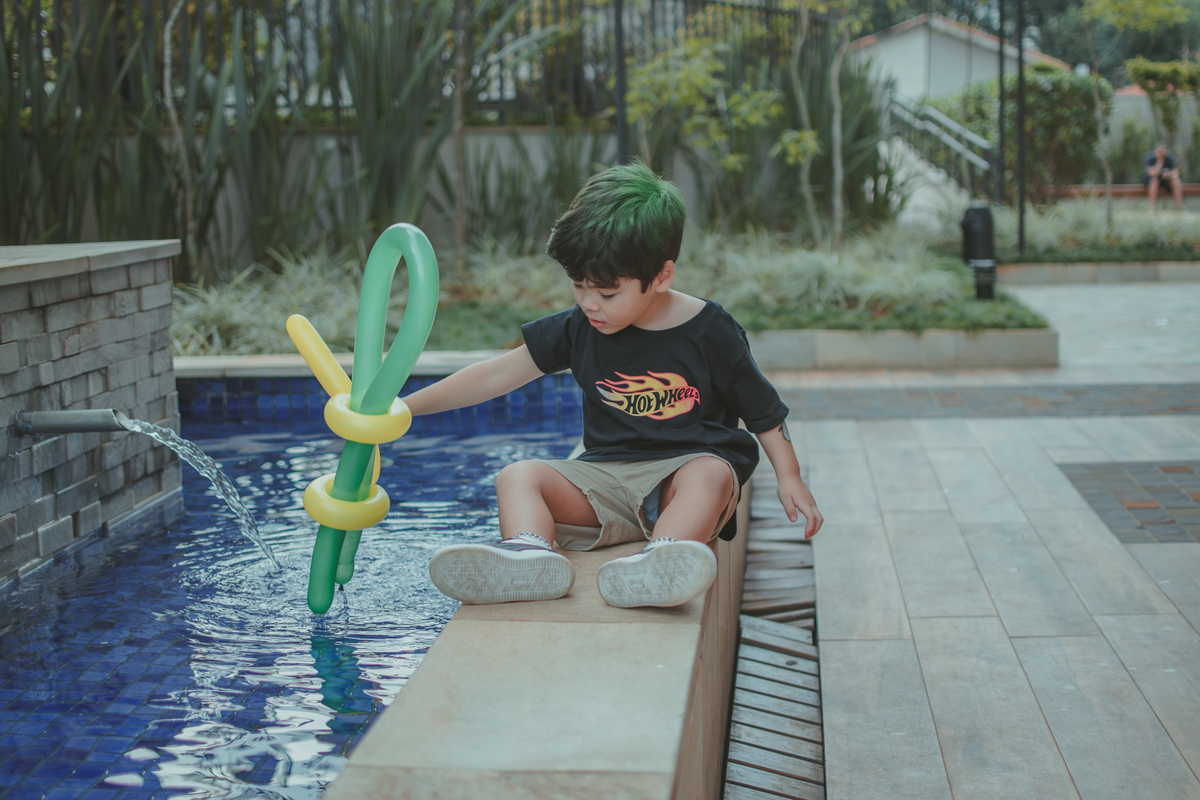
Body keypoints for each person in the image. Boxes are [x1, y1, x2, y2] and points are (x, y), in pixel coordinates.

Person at [403, 162, 822, 609]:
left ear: (661, 277)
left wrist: (789, 475)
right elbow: (494, 374)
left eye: (607, 293)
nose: (588, 304)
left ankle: (663, 560)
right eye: (579, 287)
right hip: (605, 479)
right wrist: (404, 408)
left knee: (711, 473)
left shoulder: (710, 330)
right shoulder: (579, 326)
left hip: (681, 479)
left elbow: (763, 411)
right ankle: (529, 556)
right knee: (517, 475)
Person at [1144, 141, 1184, 211]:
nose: (1162, 154)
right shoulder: (1150, 158)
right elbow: (1153, 173)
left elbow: (1176, 172)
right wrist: (1160, 161)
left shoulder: (1169, 157)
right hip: (1152, 180)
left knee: (1176, 180)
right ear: (1156, 150)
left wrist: (1168, 174)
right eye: (1160, 151)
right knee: (1155, 180)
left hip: (1165, 180)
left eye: (1164, 151)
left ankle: (1179, 206)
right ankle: (1152, 207)